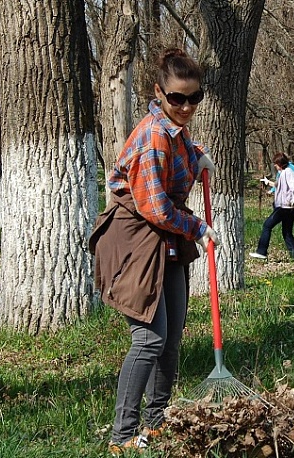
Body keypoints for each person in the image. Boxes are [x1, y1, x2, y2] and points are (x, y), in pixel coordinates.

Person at [89, 48, 218, 455]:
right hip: (135, 241)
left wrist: (198, 156)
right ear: (158, 93)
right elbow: (154, 207)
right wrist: (198, 228)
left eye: (193, 98)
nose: (185, 106)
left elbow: (179, 159)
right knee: (149, 338)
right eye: (176, 98)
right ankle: (122, 435)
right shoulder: (152, 137)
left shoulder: (175, 132)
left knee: (172, 335)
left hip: (165, 241)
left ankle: (156, 421)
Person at [249, 152, 294, 260]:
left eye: (276, 163)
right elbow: (278, 185)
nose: (274, 165)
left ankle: (261, 251)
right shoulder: (283, 173)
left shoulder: (288, 172)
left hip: (285, 208)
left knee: (267, 226)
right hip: (288, 208)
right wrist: (268, 182)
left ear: (280, 163)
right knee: (287, 232)